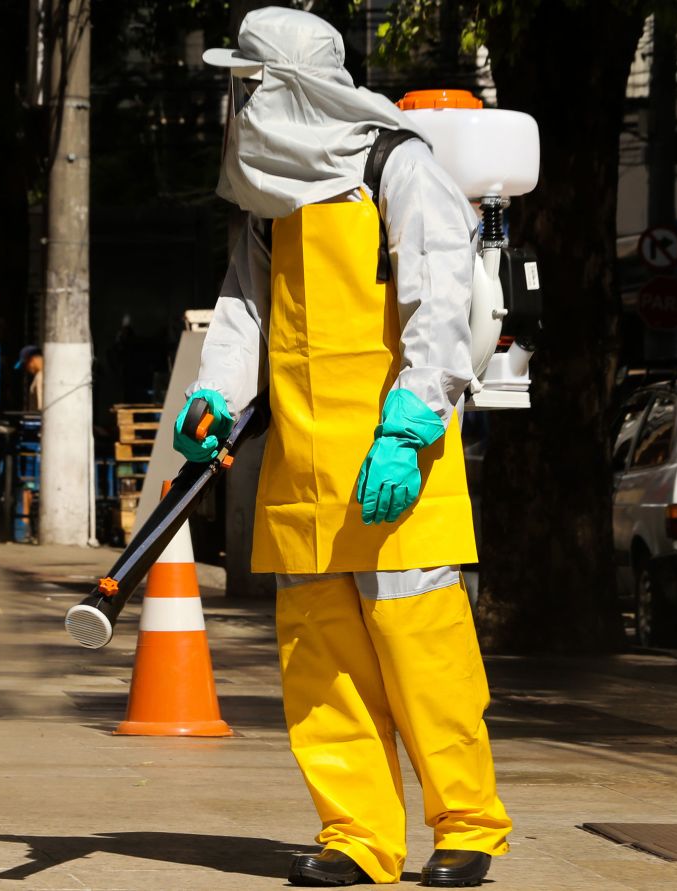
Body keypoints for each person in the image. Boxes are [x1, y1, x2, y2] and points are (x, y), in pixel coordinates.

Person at [177, 9, 511, 888]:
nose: (238, 101)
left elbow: (438, 301)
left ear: (287, 87)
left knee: (422, 650)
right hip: (302, 461)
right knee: (320, 660)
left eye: (248, 84)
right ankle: (359, 836)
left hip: (396, 451)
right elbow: (248, 308)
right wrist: (215, 390)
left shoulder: (393, 164)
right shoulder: (268, 195)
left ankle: (468, 826)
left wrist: (410, 424)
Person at [16, 344, 43, 411]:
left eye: (25, 364)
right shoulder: (44, 375)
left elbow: (41, 407)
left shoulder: (40, 377)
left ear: (32, 360)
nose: (26, 368)